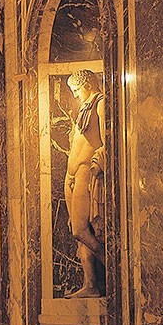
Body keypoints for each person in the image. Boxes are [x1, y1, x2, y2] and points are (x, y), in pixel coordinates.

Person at [64, 69, 106, 298]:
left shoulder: (101, 103)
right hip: (71, 175)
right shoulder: (83, 109)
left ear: (88, 84)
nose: (75, 95)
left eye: (77, 90)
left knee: (80, 230)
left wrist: (98, 163)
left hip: (85, 171)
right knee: (78, 233)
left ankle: (115, 268)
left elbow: (107, 141)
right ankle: (90, 284)